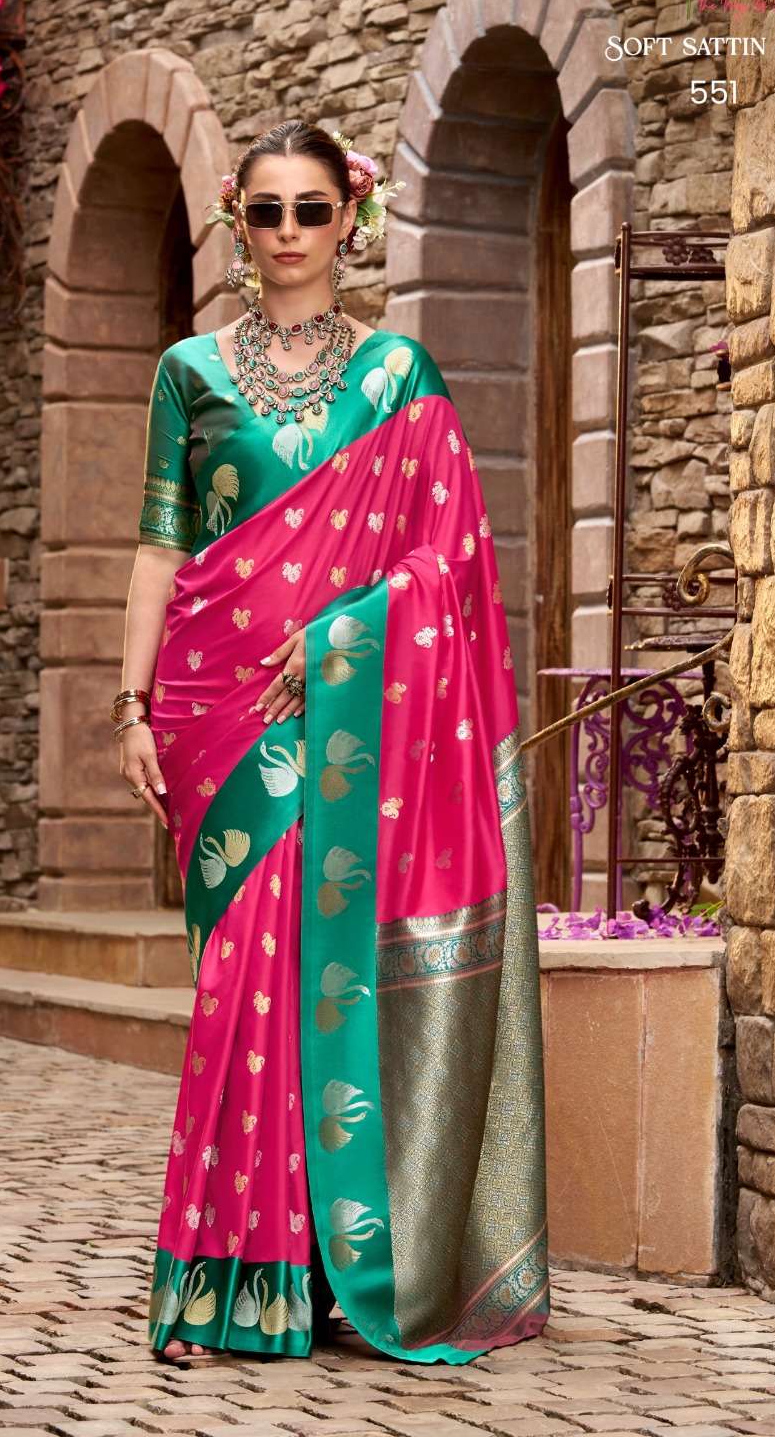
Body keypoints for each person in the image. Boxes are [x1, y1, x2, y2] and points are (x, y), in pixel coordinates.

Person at [114, 118, 550, 1366]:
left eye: (312, 209)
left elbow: (448, 559)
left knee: (322, 974)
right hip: (215, 714)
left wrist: (345, 638)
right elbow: (161, 546)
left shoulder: (397, 375)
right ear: (236, 224)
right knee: (234, 989)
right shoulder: (188, 370)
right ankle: (227, 1274)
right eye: (267, 211)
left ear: (348, 219)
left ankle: (320, 1268)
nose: (291, 232)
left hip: (345, 713)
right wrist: (129, 705)